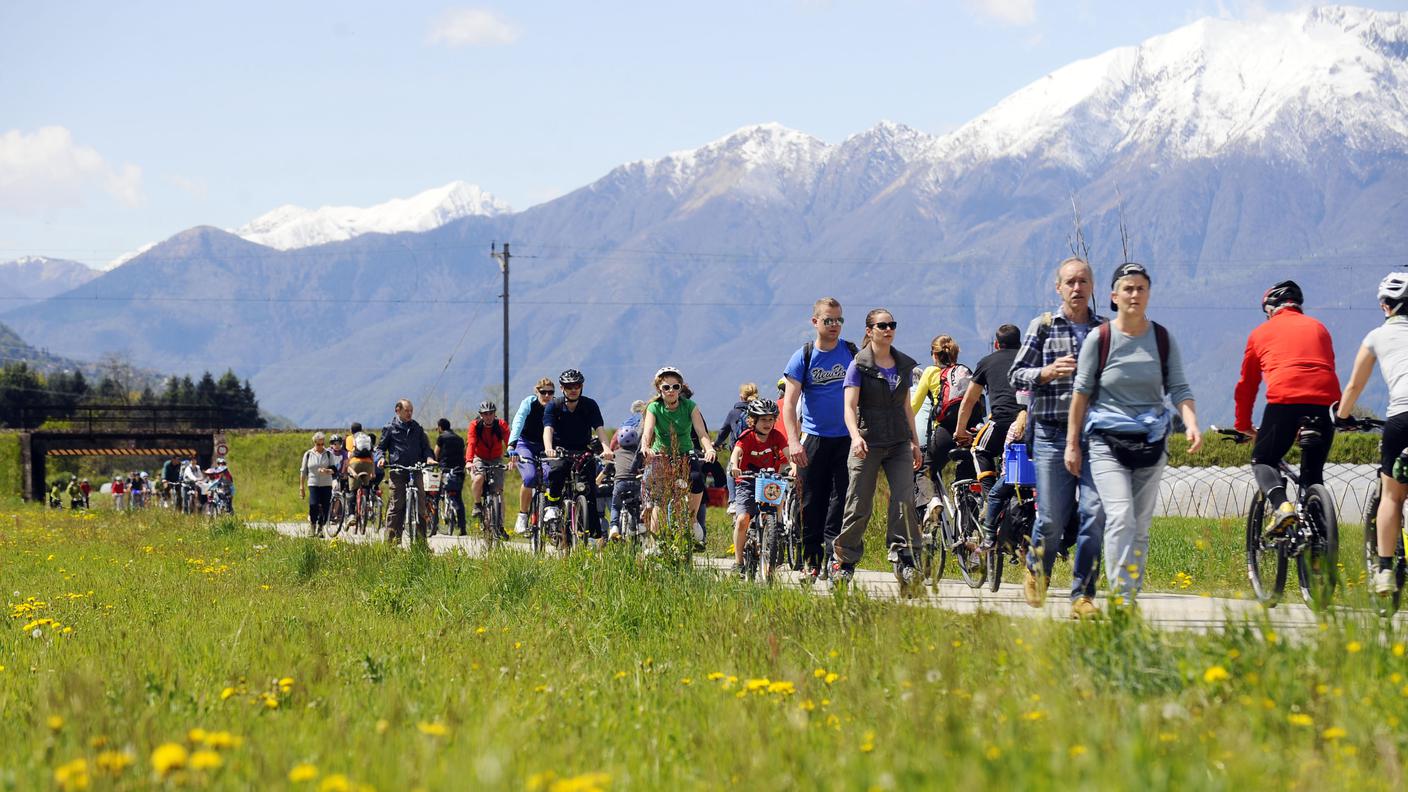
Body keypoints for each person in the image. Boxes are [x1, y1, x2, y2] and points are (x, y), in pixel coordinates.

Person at [1066, 263, 1201, 609]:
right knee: (1121, 515)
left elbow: (1179, 388)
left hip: (1152, 441)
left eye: (1141, 288)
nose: (1134, 295)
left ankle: (1128, 596)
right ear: (1114, 296)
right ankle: (1121, 596)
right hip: (1106, 442)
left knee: (1140, 525)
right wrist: (1071, 444)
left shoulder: (1161, 338)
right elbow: (1081, 394)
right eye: (1127, 288)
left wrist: (1191, 423)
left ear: (1148, 294)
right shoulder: (1101, 339)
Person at [1009, 256, 1108, 615]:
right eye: (1070, 282)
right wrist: (1047, 372)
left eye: (1083, 281)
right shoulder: (1044, 326)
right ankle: (1037, 568)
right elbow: (1016, 375)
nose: (1077, 288)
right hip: (1051, 433)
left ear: (1092, 287)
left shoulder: (1105, 330)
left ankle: (1083, 596)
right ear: (1058, 288)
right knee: (1051, 518)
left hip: (1095, 435)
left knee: (1095, 515)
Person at [1233, 280, 1342, 536]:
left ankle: (1281, 506)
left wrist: (1243, 425)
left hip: (1285, 400)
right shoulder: (1320, 328)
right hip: (1326, 404)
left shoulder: (1261, 333)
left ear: (1271, 308)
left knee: (1263, 459)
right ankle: (1319, 555)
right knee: (1313, 475)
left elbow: (1247, 385)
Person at [832, 309, 924, 585]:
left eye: (892, 325)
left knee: (904, 500)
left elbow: (906, 407)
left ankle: (906, 558)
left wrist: (915, 442)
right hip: (867, 441)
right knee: (859, 502)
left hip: (898, 441)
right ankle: (845, 562)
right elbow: (849, 407)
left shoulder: (903, 365)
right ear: (869, 330)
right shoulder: (858, 365)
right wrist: (855, 437)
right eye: (882, 325)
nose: (888, 329)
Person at [1334, 272, 1408, 596]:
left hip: (1401, 419)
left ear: (1384, 305)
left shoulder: (1376, 337)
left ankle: (1385, 572)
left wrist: (1342, 416)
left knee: (1392, 495)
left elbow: (1354, 385)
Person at [783, 297, 859, 581]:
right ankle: (811, 561)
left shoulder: (851, 352)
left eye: (839, 320)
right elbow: (789, 404)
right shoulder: (803, 356)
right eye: (828, 320)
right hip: (813, 438)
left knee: (842, 500)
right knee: (810, 503)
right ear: (815, 322)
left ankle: (835, 558)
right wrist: (793, 442)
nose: (834, 326)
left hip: (846, 439)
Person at [955, 324, 1025, 548]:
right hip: (1030, 424)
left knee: (980, 449)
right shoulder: (1029, 359)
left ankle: (989, 496)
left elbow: (969, 400)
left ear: (997, 344)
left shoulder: (987, 362)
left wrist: (960, 430)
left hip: (1002, 422)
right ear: (1020, 342)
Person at [639, 366, 717, 544]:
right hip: (661, 454)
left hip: (685, 452)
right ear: (660, 389)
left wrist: (709, 449)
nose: (671, 391)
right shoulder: (654, 407)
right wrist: (646, 447)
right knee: (659, 498)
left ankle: (692, 519)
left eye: (676, 387)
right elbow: (648, 431)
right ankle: (655, 542)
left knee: (697, 479)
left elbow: (701, 433)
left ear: (681, 389)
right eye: (666, 387)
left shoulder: (690, 406)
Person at [542, 369, 613, 538]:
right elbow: (548, 429)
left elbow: (600, 429)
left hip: (583, 451)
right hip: (560, 451)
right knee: (557, 472)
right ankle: (552, 505)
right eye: (569, 386)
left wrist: (607, 448)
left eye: (577, 385)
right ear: (562, 388)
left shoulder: (589, 405)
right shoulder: (554, 405)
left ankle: (594, 536)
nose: (573, 389)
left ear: (582, 386)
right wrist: (549, 447)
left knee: (590, 493)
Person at [913, 335, 984, 497]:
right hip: (970, 431)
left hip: (945, 431)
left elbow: (913, 406)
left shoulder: (931, 372)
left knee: (925, 471)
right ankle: (969, 512)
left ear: (935, 354)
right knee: (969, 474)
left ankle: (932, 503)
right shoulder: (963, 372)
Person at [726, 399, 790, 576]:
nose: (768, 424)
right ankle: (738, 562)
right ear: (753, 420)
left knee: (779, 495)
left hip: (768, 479)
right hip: (747, 480)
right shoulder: (747, 436)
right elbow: (736, 453)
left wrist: (795, 467)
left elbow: (787, 453)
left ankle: (776, 529)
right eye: (763, 420)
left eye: (771, 419)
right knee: (742, 519)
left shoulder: (777, 436)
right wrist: (734, 466)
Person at [377, 399, 438, 544]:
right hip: (398, 470)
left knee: (421, 505)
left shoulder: (417, 428)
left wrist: (429, 458)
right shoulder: (390, 428)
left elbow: (426, 448)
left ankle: (421, 544)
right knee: (397, 504)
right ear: (398, 410)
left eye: (411, 411)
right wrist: (381, 459)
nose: (410, 413)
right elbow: (380, 448)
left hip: (416, 469)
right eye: (407, 411)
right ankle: (390, 542)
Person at [508, 377, 556, 535]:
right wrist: (511, 445)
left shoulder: (556, 405)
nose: (547, 396)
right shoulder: (529, 403)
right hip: (525, 444)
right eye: (543, 392)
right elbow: (518, 421)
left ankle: (550, 508)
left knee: (551, 476)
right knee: (529, 477)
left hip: (546, 446)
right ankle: (522, 516)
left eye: (550, 392)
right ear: (537, 392)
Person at [465, 403, 509, 537]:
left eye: (491, 413)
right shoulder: (475, 425)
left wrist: (513, 459)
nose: (488, 416)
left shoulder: (501, 425)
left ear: (495, 413)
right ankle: (477, 504)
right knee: (478, 478)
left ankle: (500, 525)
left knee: (499, 493)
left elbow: (509, 442)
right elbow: (471, 443)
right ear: (481, 415)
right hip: (479, 457)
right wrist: (468, 461)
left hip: (496, 458)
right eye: (485, 414)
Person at [716, 383, 760, 515]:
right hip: (758, 452)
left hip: (739, 452)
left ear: (741, 396)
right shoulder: (758, 412)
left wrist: (716, 444)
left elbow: (723, 432)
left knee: (731, 470)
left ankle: (733, 501)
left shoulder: (734, 413)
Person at [428, 418, 467, 536]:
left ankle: (434, 525)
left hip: (445, 470)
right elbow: (464, 454)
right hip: (459, 471)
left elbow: (436, 453)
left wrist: (434, 462)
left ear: (440, 427)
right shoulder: (459, 439)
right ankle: (462, 527)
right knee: (458, 499)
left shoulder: (442, 438)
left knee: (436, 497)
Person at [300, 432, 338, 536]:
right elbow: (303, 471)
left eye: (322, 444)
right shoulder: (308, 454)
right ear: (314, 443)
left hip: (326, 483)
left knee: (326, 506)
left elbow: (334, 469)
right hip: (313, 483)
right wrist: (301, 487)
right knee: (313, 505)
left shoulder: (329, 454)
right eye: (318, 444)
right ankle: (312, 526)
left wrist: (327, 471)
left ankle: (321, 527)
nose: (321, 446)